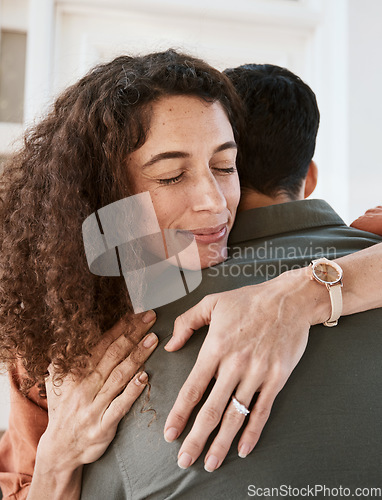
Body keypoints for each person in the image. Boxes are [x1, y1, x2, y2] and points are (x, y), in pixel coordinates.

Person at [0, 52, 381, 500]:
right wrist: (56, 460)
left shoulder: (354, 244)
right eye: (171, 175)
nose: (214, 203)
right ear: (103, 194)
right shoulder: (59, 338)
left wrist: (300, 294)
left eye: (225, 167)